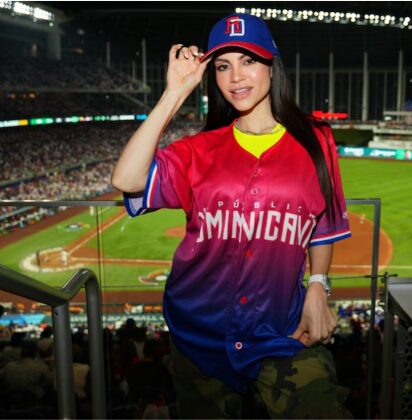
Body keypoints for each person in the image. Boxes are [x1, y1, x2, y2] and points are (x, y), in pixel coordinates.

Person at [112, 13, 352, 418]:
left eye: (248, 60)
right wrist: (174, 93)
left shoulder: (316, 141)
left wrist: (318, 285)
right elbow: (127, 179)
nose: (235, 76)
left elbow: (322, 226)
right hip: (198, 332)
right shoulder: (197, 150)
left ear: (272, 65)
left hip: (281, 329)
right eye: (223, 66)